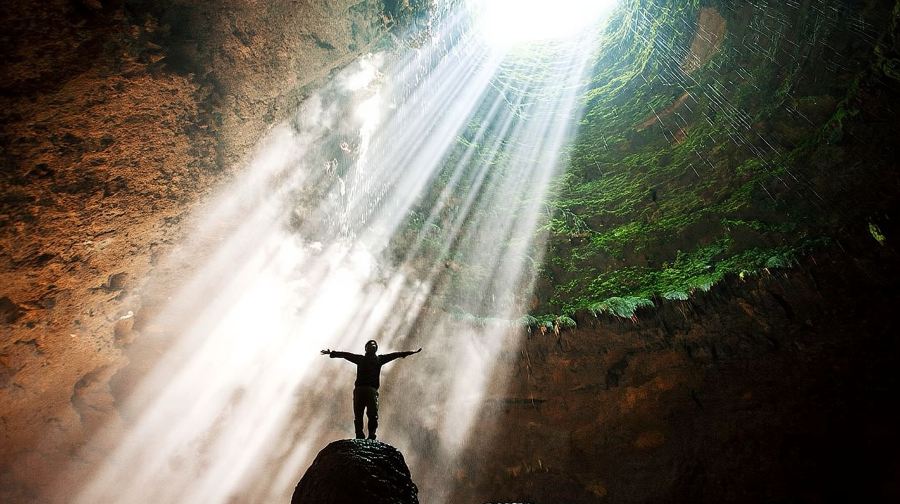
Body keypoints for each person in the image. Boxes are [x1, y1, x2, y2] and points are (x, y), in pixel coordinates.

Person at [321, 340, 422, 440]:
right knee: (360, 414)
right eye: (370, 345)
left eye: (374, 345)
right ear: (366, 348)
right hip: (362, 390)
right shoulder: (365, 359)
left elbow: (395, 355)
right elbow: (346, 355)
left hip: (368, 391)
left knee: (371, 415)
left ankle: (371, 435)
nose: (372, 346)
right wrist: (332, 353)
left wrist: (410, 352)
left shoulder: (377, 359)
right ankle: (361, 435)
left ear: (375, 349)